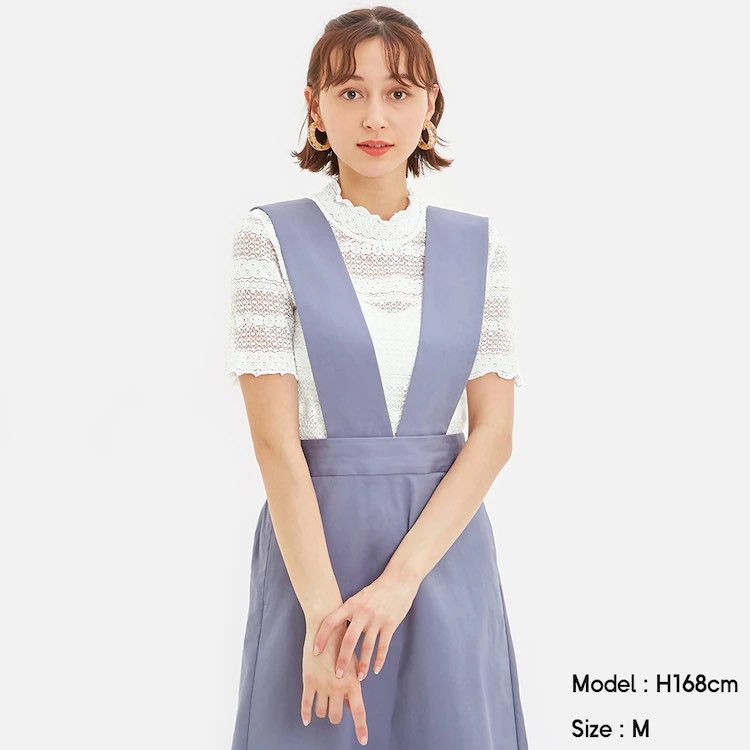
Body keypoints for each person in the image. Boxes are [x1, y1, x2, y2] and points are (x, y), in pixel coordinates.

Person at [225, 6, 528, 749]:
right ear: (315, 107)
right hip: (316, 565)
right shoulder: (269, 237)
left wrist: (399, 585)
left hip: (444, 559)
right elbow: (275, 445)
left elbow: (492, 435)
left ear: (430, 107)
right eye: (350, 92)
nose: (374, 116)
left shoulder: (479, 246)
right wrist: (325, 622)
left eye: (398, 93)